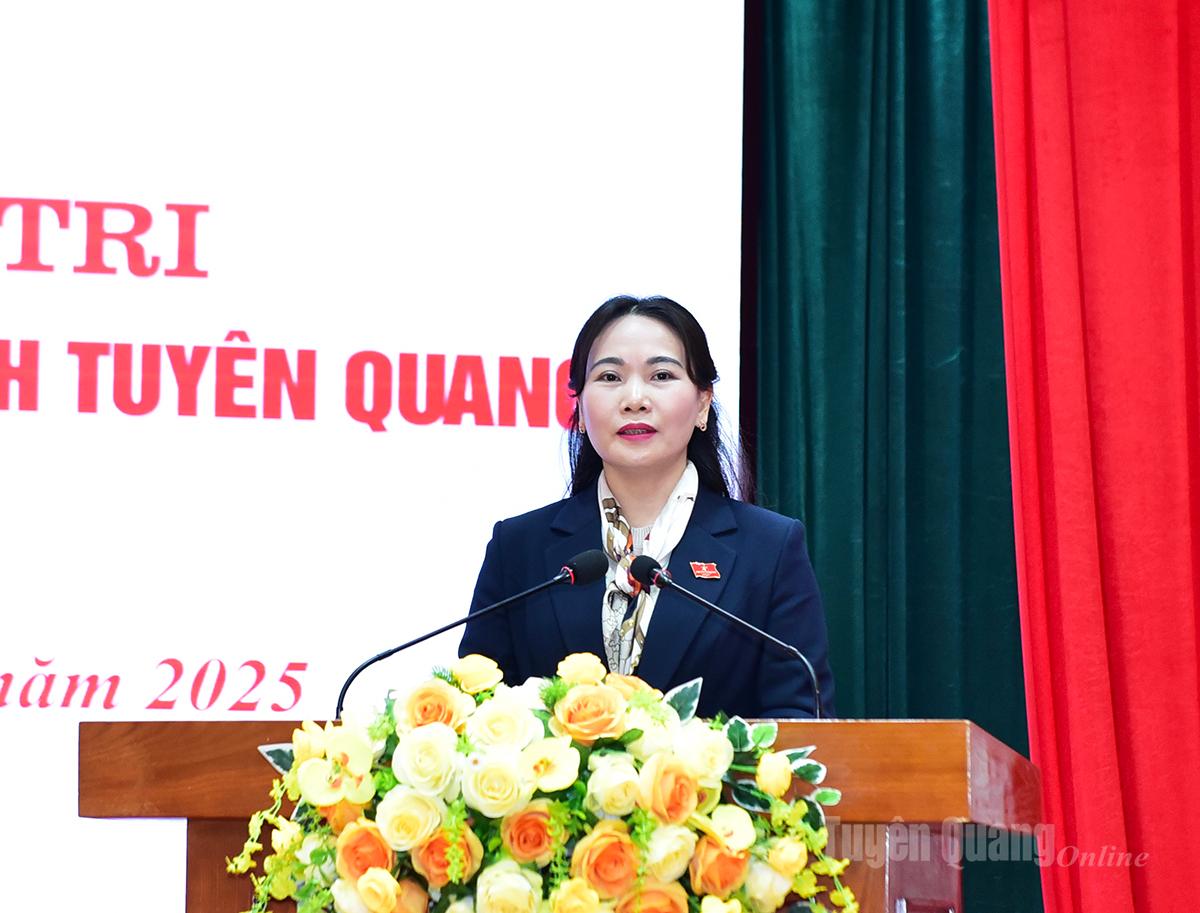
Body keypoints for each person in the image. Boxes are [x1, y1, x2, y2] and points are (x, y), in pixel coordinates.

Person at [459, 295, 835, 719]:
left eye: (661, 375)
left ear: (703, 403)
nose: (634, 399)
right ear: (579, 407)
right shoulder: (518, 547)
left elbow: (801, 720)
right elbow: (477, 712)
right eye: (610, 377)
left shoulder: (769, 549)